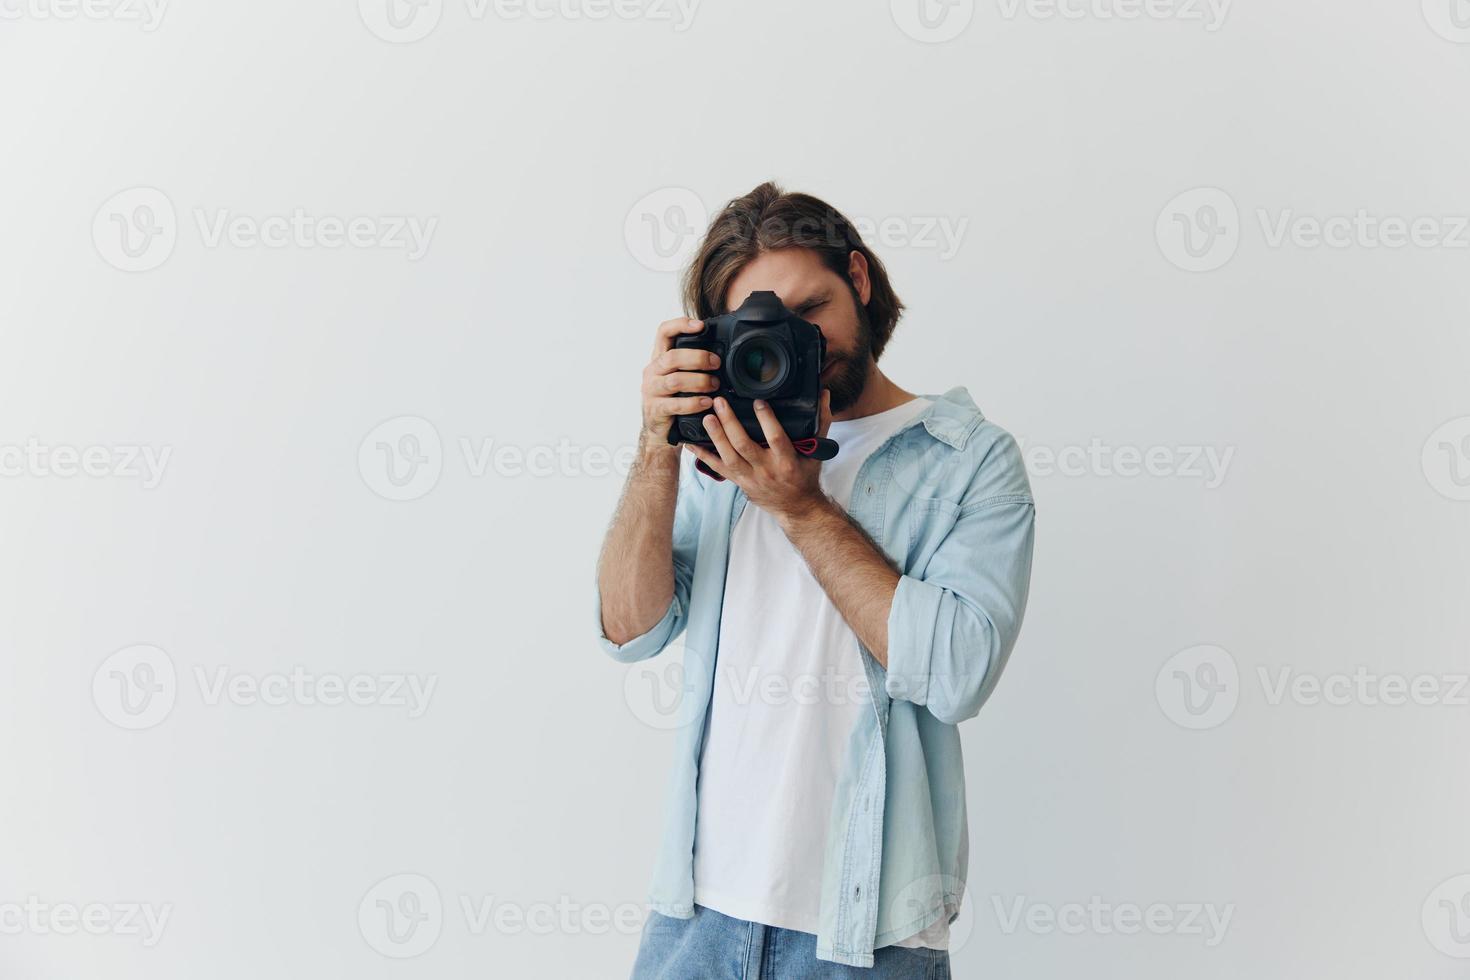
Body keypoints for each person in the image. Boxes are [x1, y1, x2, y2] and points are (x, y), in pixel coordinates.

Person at [596, 181, 1036, 978]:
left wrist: (800, 509)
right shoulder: (717, 450)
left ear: (860, 282)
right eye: (757, 330)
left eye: (812, 307)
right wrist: (658, 445)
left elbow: (959, 674)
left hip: (868, 936)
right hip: (696, 911)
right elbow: (631, 629)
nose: (792, 342)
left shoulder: (970, 458)